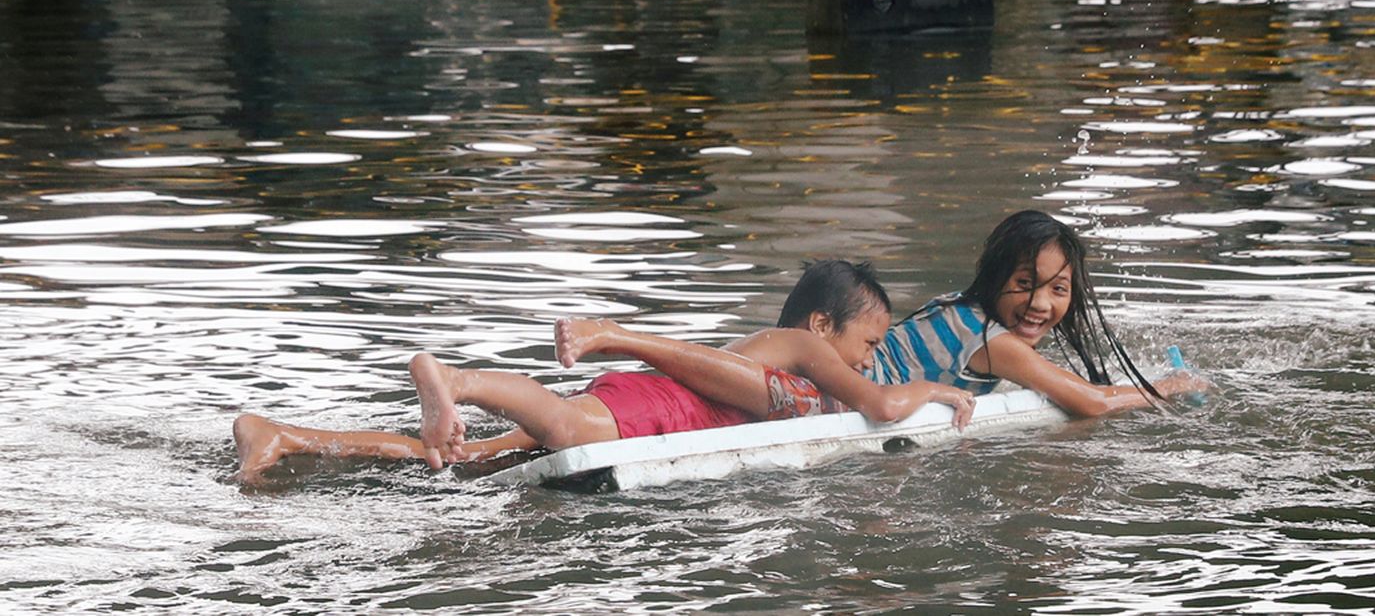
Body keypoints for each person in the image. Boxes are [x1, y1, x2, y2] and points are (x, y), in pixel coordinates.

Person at [232, 260, 974, 483]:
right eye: (869, 340)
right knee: (560, 421)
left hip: (649, 402)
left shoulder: (781, 355)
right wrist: (941, 389)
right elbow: (882, 405)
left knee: (466, 458)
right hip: (662, 408)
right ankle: (452, 379)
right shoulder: (801, 350)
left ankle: (282, 436)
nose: (870, 356)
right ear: (821, 325)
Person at [561, 211, 1209, 421]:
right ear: (995, 280)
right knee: (692, 387)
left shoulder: (956, 310)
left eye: (1058, 290)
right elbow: (1089, 403)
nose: (1041, 303)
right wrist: (1165, 388)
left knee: (679, 391)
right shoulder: (995, 343)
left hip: (829, 369)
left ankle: (532, 429)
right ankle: (617, 338)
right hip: (839, 386)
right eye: (1024, 285)